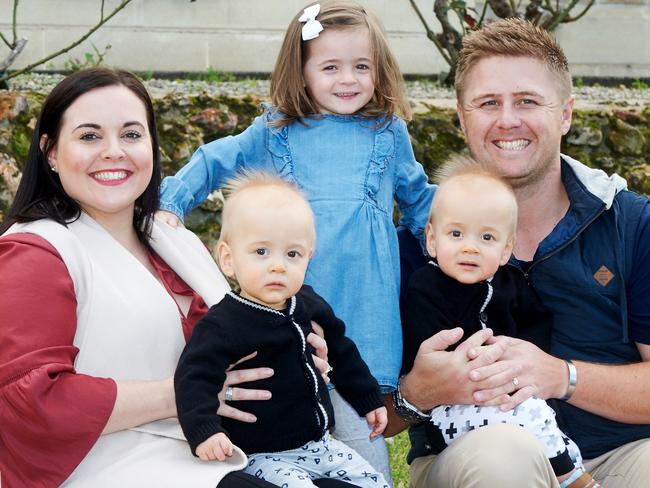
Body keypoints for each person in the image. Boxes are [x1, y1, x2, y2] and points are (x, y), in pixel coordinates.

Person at [0, 68, 337, 488]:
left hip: (226, 454)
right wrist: (186, 392)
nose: (113, 151)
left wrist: (293, 349)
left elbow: (234, 337)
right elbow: (28, 402)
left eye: (131, 134)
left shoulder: (176, 241)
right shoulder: (35, 252)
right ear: (51, 152)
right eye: (89, 136)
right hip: (109, 467)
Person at [157, 1, 433, 480]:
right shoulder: (277, 130)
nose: (347, 79)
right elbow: (215, 159)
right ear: (302, 72)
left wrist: (457, 234)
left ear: (379, 70)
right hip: (290, 313)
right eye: (330, 67)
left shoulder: (388, 133)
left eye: (361, 66)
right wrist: (170, 204)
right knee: (290, 430)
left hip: (363, 315)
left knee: (359, 440)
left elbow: (420, 201)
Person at [387, 18, 650, 488]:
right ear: (462, 118)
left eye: (527, 100)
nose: (508, 119)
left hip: (619, 456)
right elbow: (361, 415)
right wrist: (419, 391)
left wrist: (561, 376)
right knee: (505, 458)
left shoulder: (630, 223)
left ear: (566, 113)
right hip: (475, 450)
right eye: (488, 103)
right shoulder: (419, 241)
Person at [175, 172, 389, 488]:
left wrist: (369, 399)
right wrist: (205, 431)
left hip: (320, 445)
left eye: (292, 254)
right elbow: (194, 378)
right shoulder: (224, 324)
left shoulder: (309, 303)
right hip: (264, 452)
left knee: (375, 481)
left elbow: (342, 351)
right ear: (229, 259)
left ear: (308, 257)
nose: (278, 265)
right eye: (261, 252)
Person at [402, 155, 600, 488]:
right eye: (456, 233)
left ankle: (569, 469)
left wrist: (523, 361)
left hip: (505, 398)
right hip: (450, 413)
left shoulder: (511, 284)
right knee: (534, 416)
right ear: (432, 240)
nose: (470, 248)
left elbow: (535, 328)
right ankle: (573, 479)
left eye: (487, 238)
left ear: (507, 249)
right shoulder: (426, 287)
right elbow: (432, 348)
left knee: (543, 417)